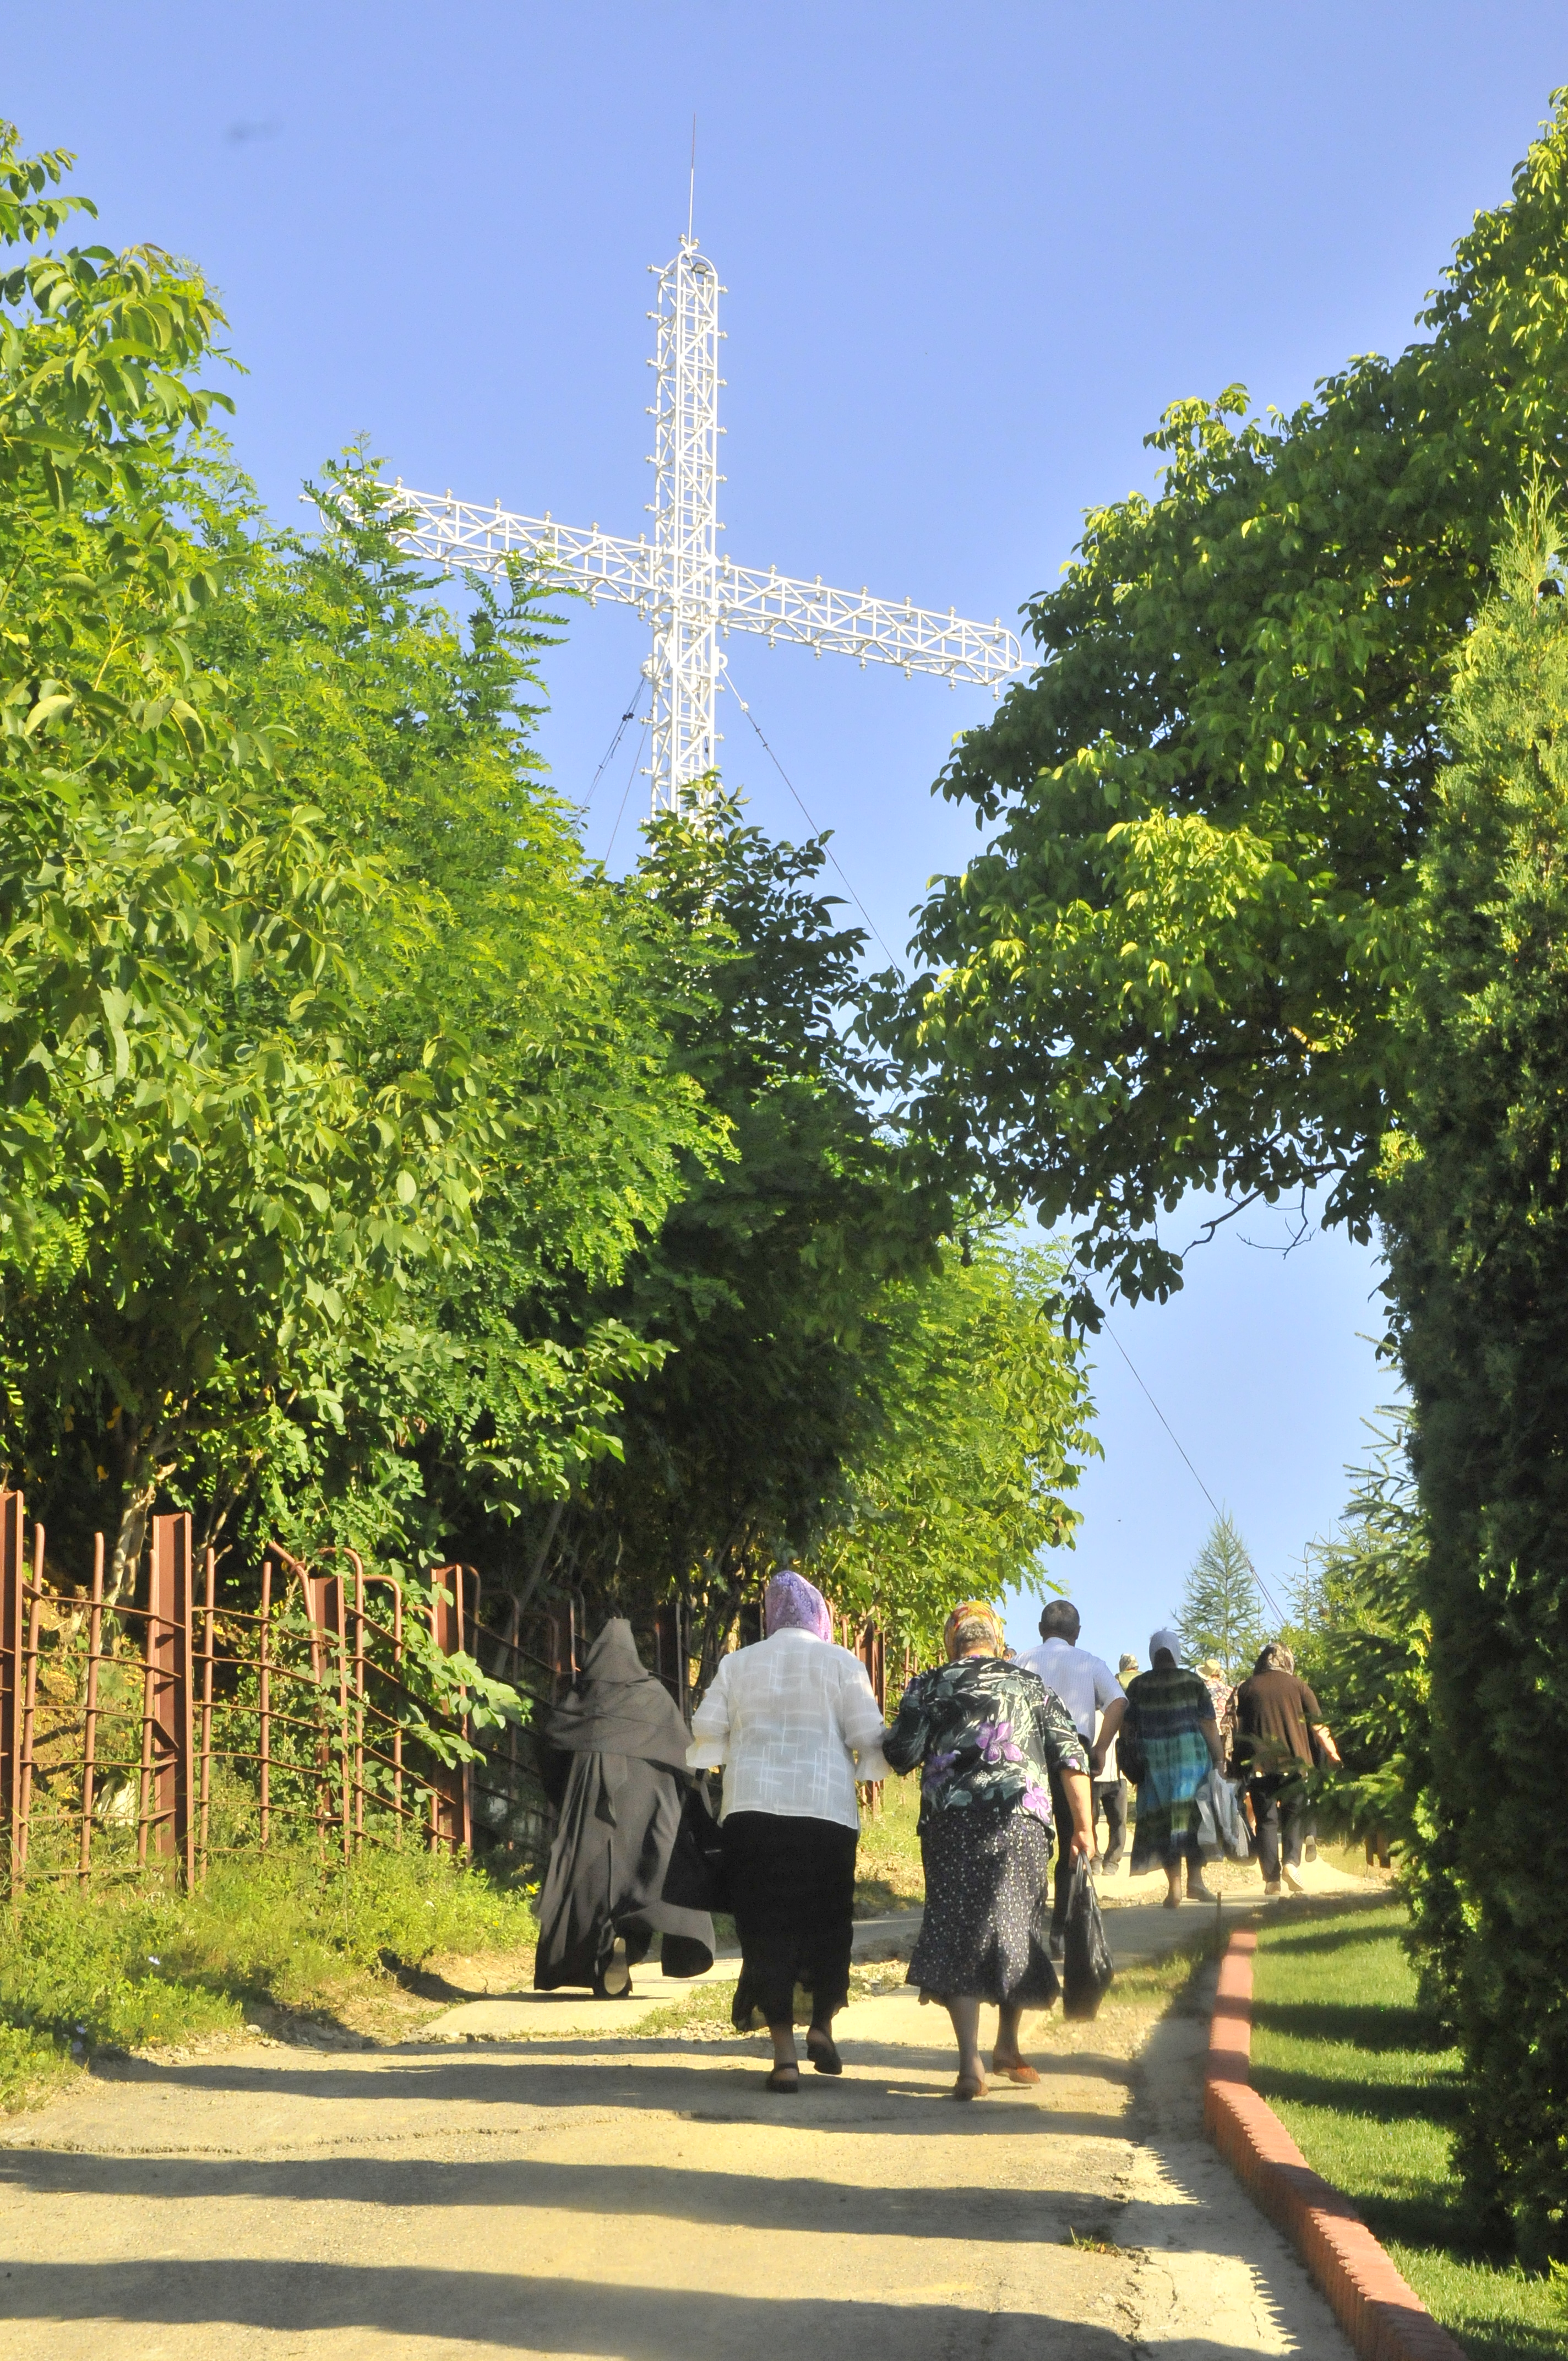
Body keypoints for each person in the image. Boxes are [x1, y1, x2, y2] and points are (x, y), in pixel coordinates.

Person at [881, 1599, 1093, 2101]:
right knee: (1014, 1927)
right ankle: (1007, 2047)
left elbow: (900, 1755)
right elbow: (1071, 1758)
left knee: (958, 1929)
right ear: (996, 1640)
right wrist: (1083, 1827)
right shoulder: (1030, 1685)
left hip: (950, 1822)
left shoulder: (930, 1686)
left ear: (951, 1640)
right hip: (1021, 1821)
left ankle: (969, 2064)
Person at [687, 1567, 888, 2092]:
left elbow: (706, 1728)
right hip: (826, 1814)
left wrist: (727, 1753)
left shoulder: (738, 1663)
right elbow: (868, 1734)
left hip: (752, 1812)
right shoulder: (843, 1663)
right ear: (821, 1618)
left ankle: (783, 2057)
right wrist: (867, 1763)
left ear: (770, 1616)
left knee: (766, 1927)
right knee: (826, 1921)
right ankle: (821, 2026)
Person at [535, 1618, 717, 1998]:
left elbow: (550, 1746)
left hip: (592, 1817)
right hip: (650, 1815)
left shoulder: (579, 1700)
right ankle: (626, 1946)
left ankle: (604, 1957)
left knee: (594, 1885)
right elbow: (687, 1758)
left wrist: (567, 1798)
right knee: (646, 1878)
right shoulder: (654, 1698)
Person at [1017, 1600, 1126, 1950]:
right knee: (1074, 1841)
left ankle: (1024, 1926)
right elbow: (1118, 1702)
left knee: (1029, 1841)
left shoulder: (1020, 1662)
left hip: (1027, 1756)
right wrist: (1101, 1746)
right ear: (1076, 1634)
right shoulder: (1090, 1662)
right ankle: (1061, 1931)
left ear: (1040, 1629)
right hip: (1074, 1760)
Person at [1122, 1628, 1223, 1908]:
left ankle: (1175, 1889)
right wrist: (1219, 1759)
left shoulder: (1139, 1686)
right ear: (1176, 1653)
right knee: (1192, 1819)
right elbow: (1208, 1725)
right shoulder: (1192, 1682)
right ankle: (1196, 1882)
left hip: (1155, 1763)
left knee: (1165, 1821)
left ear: (1153, 1655)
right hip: (1192, 1762)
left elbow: (1128, 1726)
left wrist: (1130, 1758)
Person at [1232, 1642, 1342, 1897]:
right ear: (1288, 1662)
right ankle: (1291, 1863)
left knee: (1266, 1822)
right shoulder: (1300, 1687)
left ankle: (1271, 1880)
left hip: (1258, 1765)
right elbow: (1318, 1725)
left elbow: (1239, 1730)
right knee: (1293, 1816)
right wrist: (1332, 1753)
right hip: (1296, 1764)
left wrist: (1237, 1765)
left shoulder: (1247, 1688)